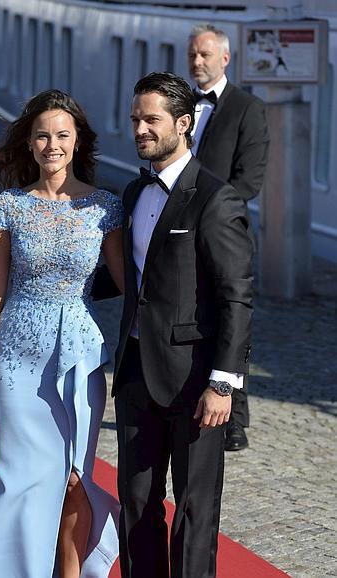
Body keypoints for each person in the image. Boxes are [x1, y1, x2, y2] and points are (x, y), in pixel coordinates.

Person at [0, 89, 124, 578]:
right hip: (16, 357)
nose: (53, 144)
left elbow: (134, 287)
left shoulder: (104, 207)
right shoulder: (8, 206)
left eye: (62, 135)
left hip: (80, 354)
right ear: (29, 144)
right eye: (43, 135)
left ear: (77, 142)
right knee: (19, 477)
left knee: (74, 478)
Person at [110, 72, 254, 578]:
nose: (141, 129)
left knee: (194, 514)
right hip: (134, 378)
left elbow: (237, 297)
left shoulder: (216, 199)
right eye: (135, 120)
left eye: (152, 120)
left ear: (184, 123)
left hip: (196, 383)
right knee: (135, 506)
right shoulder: (133, 193)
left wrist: (223, 384)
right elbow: (127, 275)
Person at [188, 23, 270, 451]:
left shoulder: (248, 108)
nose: (197, 62)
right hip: (179, 230)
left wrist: (209, 210)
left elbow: (250, 180)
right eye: (192, 55)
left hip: (226, 231)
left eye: (204, 55)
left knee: (232, 322)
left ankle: (236, 418)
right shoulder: (178, 105)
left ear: (225, 58)